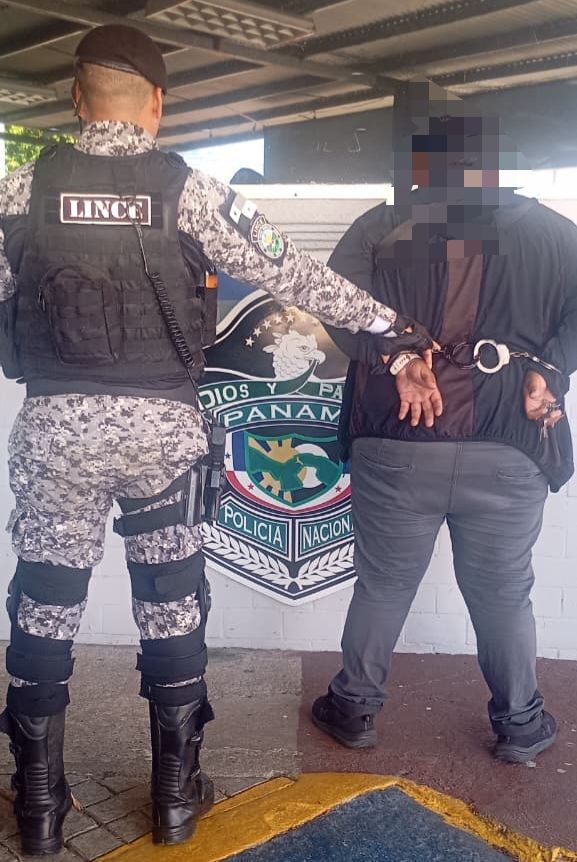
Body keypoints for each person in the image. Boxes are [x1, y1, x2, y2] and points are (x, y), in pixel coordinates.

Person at [0, 25, 433, 857]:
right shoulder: (191, 192)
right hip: (164, 431)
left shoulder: (21, 190)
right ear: (157, 105)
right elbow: (294, 274)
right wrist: (393, 329)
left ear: (76, 99)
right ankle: (173, 797)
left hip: (55, 430)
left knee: (45, 600)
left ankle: (40, 804)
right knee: (170, 596)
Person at [311, 80, 576, 765]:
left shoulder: (381, 225)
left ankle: (354, 709)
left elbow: (333, 306)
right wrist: (551, 368)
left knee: (382, 584)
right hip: (510, 443)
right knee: (504, 593)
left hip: (399, 438)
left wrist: (395, 354)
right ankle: (519, 725)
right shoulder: (555, 234)